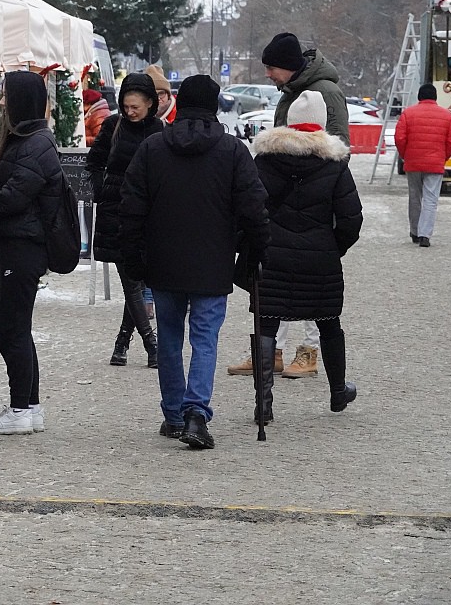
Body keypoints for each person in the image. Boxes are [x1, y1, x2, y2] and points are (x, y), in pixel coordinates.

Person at [120, 75, 269, 449]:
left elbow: (131, 209)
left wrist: (133, 257)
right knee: (205, 340)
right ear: (216, 106)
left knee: (169, 339)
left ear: (179, 104)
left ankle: (173, 414)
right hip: (213, 261)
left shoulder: (153, 148)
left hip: (164, 260)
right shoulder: (233, 151)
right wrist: (256, 250)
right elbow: (254, 208)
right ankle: (196, 413)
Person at [249, 90, 363, 422]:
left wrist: (258, 244)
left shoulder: (265, 161)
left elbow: (250, 208)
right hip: (320, 258)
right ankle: (338, 392)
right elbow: (351, 219)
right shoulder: (334, 163)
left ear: (289, 124)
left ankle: (264, 402)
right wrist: (333, 247)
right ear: (322, 124)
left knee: (266, 324)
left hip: (273, 256)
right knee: (329, 323)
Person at [0, 71, 66, 435]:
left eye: (5, 97)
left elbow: (12, 198)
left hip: (24, 247)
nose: (1, 103)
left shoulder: (34, 144)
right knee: (18, 329)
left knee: (11, 330)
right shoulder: (29, 139)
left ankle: (19, 410)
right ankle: (29, 406)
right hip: (19, 243)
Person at [87, 73, 163, 368]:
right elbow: (94, 162)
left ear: (149, 104)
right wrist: (102, 190)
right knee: (131, 280)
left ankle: (121, 343)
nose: (130, 112)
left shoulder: (159, 130)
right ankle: (151, 344)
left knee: (139, 276)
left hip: (148, 213)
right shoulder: (112, 125)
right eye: (126, 106)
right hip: (116, 211)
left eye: (136, 107)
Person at [394, 83, 451, 248]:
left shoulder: (408, 113)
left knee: (415, 197)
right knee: (431, 199)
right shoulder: (446, 116)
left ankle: (414, 232)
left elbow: (399, 138)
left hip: (413, 162)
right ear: (435, 97)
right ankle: (425, 235)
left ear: (419, 97)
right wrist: (443, 157)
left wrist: (405, 155)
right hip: (435, 163)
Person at [262, 32, 350, 144]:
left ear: (288, 65)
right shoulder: (290, 91)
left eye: (271, 68)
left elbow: (339, 147)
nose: (267, 74)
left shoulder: (327, 92)